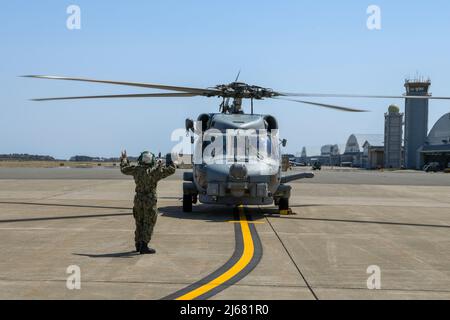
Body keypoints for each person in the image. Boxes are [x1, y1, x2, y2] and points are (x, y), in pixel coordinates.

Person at [120, 150, 175, 254]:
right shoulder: (155, 172)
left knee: (139, 222)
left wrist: (124, 159)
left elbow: (123, 169)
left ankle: (138, 244)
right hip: (149, 201)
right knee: (148, 223)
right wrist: (170, 160)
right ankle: (144, 246)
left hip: (138, 200)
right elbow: (171, 170)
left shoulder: (136, 170)